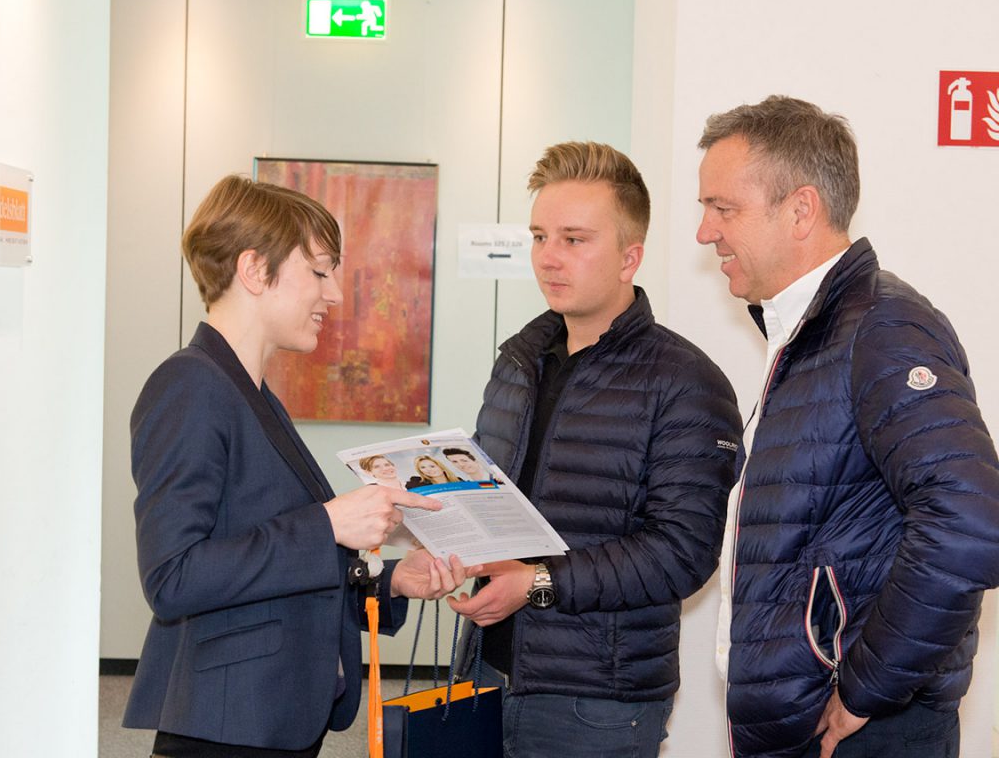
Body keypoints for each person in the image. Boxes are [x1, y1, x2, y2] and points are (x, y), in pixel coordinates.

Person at [122, 175, 476, 757]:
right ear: (254, 270)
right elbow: (173, 577)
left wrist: (391, 580)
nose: (333, 294)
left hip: (266, 718)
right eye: (318, 272)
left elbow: (271, 561)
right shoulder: (189, 386)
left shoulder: (249, 392)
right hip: (226, 729)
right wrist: (329, 523)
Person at [695, 95, 999, 758]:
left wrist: (867, 688)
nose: (704, 232)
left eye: (724, 208)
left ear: (801, 210)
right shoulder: (814, 334)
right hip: (813, 725)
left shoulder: (882, 329)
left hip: (867, 732)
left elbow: (972, 520)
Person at [447, 141, 743, 758]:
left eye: (574, 239)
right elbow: (487, 497)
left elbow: (684, 552)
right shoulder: (519, 361)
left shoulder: (685, 381)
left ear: (629, 257)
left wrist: (537, 583)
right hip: (486, 671)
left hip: (597, 702)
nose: (548, 257)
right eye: (539, 236)